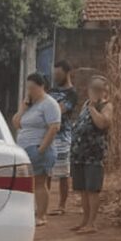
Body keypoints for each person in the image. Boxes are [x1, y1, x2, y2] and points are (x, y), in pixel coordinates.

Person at [13, 72, 61, 227]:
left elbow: (54, 127)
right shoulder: (30, 105)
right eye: (28, 88)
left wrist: (41, 148)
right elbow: (16, 123)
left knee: (40, 182)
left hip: (38, 148)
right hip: (25, 149)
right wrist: (22, 108)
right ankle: (31, 211)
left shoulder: (49, 104)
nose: (30, 91)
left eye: (33, 88)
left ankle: (42, 215)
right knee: (26, 183)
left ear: (42, 86)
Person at [70, 75, 113, 234]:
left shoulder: (105, 106)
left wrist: (94, 108)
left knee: (92, 189)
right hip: (79, 153)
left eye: (99, 91)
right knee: (82, 189)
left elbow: (102, 123)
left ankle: (92, 223)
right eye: (93, 90)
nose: (96, 93)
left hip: (94, 154)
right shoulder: (85, 105)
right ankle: (84, 220)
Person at [47, 60, 78, 216]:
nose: (56, 76)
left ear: (66, 73)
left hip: (63, 136)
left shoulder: (72, 94)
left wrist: (47, 110)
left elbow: (59, 110)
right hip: (48, 135)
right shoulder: (51, 90)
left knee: (63, 173)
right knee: (46, 171)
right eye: (54, 73)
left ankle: (62, 205)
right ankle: (44, 203)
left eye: (58, 74)